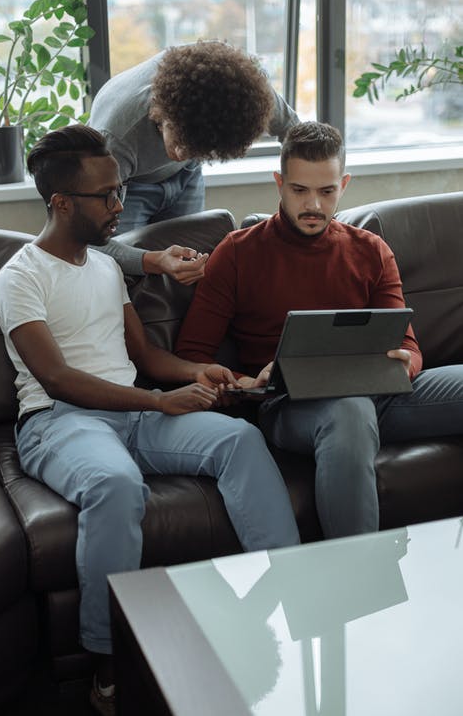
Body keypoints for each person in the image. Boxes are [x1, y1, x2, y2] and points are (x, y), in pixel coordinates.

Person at [0, 124, 299, 716]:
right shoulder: (19, 277)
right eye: (105, 195)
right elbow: (56, 378)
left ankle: (284, 596)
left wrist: (202, 372)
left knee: (238, 438)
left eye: (119, 190)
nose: (119, 205)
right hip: (59, 421)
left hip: (132, 413)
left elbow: (146, 359)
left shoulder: (107, 269)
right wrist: (162, 401)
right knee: (113, 483)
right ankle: (107, 667)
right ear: (60, 202)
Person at [176, 120, 463, 540]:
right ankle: (355, 580)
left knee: (360, 405)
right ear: (279, 182)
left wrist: (406, 362)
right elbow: (192, 356)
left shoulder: (371, 250)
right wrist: (246, 382)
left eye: (326, 191)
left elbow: (408, 343)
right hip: (291, 408)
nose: (313, 204)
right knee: (349, 410)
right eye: (299, 190)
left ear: (343, 184)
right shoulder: (237, 253)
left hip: (378, 395)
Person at [89, 40, 299, 232]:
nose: (180, 153)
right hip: (128, 186)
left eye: (195, 147)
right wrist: (147, 261)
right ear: (163, 110)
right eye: (179, 139)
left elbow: (297, 134)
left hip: (186, 175)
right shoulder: (115, 137)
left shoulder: (238, 92)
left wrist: (299, 194)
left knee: (189, 259)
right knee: (124, 268)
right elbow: (94, 240)